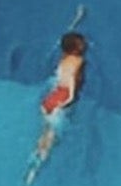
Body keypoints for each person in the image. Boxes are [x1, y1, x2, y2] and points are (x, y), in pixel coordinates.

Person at [32, 31, 88, 167]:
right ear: (75, 49)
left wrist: (77, 19)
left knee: (46, 129)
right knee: (53, 134)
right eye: (81, 44)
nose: (85, 45)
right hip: (61, 100)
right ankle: (39, 162)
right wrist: (69, 100)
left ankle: (36, 154)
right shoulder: (79, 61)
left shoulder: (63, 58)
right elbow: (71, 87)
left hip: (50, 99)